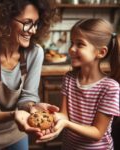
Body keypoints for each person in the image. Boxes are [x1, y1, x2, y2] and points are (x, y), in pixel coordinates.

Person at [0, 0, 59, 150]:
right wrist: (14, 115)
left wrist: (32, 107)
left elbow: (28, 96)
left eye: (36, 23)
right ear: (1, 22)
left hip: (18, 132)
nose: (33, 30)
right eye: (27, 22)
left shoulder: (35, 53)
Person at [37, 18, 120, 150]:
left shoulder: (110, 87)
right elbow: (64, 115)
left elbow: (97, 133)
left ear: (101, 52)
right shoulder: (69, 78)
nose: (71, 49)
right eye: (72, 43)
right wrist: (49, 115)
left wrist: (66, 124)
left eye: (80, 44)